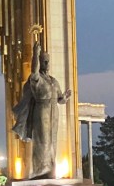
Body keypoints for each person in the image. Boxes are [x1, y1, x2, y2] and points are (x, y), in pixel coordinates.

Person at [12, 37, 71, 178]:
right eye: (44, 61)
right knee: (42, 141)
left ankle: (51, 169)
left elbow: (60, 99)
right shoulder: (37, 79)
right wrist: (35, 54)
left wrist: (64, 98)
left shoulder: (53, 81)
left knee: (52, 141)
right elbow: (34, 72)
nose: (47, 64)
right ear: (40, 62)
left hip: (54, 111)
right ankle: (40, 170)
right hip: (41, 110)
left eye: (48, 61)